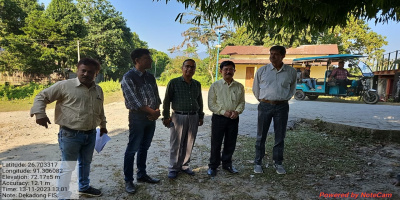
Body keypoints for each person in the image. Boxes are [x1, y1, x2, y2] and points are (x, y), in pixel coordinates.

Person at [30, 58, 108, 198]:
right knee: (68, 166)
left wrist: (103, 126)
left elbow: (100, 110)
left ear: (96, 74)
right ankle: (63, 195)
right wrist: (39, 113)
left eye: (90, 72)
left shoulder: (98, 89)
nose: (86, 74)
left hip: (90, 134)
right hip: (70, 135)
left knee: (86, 163)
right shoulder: (64, 86)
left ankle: (84, 187)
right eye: (83, 70)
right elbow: (42, 96)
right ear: (77, 70)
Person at [121, 48, 161, 194]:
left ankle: (142, 174)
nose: (150, 60)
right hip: (137, 117)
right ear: (137, 61)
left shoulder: (150, 77)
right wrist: (153, 112)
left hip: (151, 117)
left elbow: (156, 96)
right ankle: (128, 180)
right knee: (132, 149)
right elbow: (133, 101)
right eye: (147, 58)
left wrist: (156, 111)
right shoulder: (128, 77)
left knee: (144, 147)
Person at [252, 45, 297, 175]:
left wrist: (283, 99)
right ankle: (258, 162)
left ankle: (278, 163)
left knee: (280, 136)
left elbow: (292, 89)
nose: (272, 56)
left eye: (276, 54)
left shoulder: (291, 72)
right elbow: (256, 89)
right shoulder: (262, 71)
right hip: (265, 105)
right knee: (261, 136)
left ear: (283, 56)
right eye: (271, 53)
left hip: (282, 107)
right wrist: (264, 100)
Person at [162, 59, 204, 179]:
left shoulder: (197, 84)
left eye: (192, 67)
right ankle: (174, 168)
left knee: (189, 142)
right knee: (176, 143)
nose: (189, 69)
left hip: (193, 116)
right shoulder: (174, 82)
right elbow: (166, 101)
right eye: (187, 66)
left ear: (195, 69)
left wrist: (200, 116)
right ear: (182, 68)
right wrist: (165, 116)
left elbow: (199, 101)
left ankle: (184, 165)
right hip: (178, 117)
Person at [207, 61, 245, 177]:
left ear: (234, 70)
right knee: (216, 142)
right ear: (221, 71)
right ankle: (213, 166)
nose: (228, 71)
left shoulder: (239, 86)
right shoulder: (215, 86)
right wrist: (224, 112)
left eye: (230, 69)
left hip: (234, 118)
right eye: (225, 69)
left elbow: (242, 102)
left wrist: (237, 112)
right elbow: (211, 104)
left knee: (230, 142)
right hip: (219, 118)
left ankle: (227, 164)